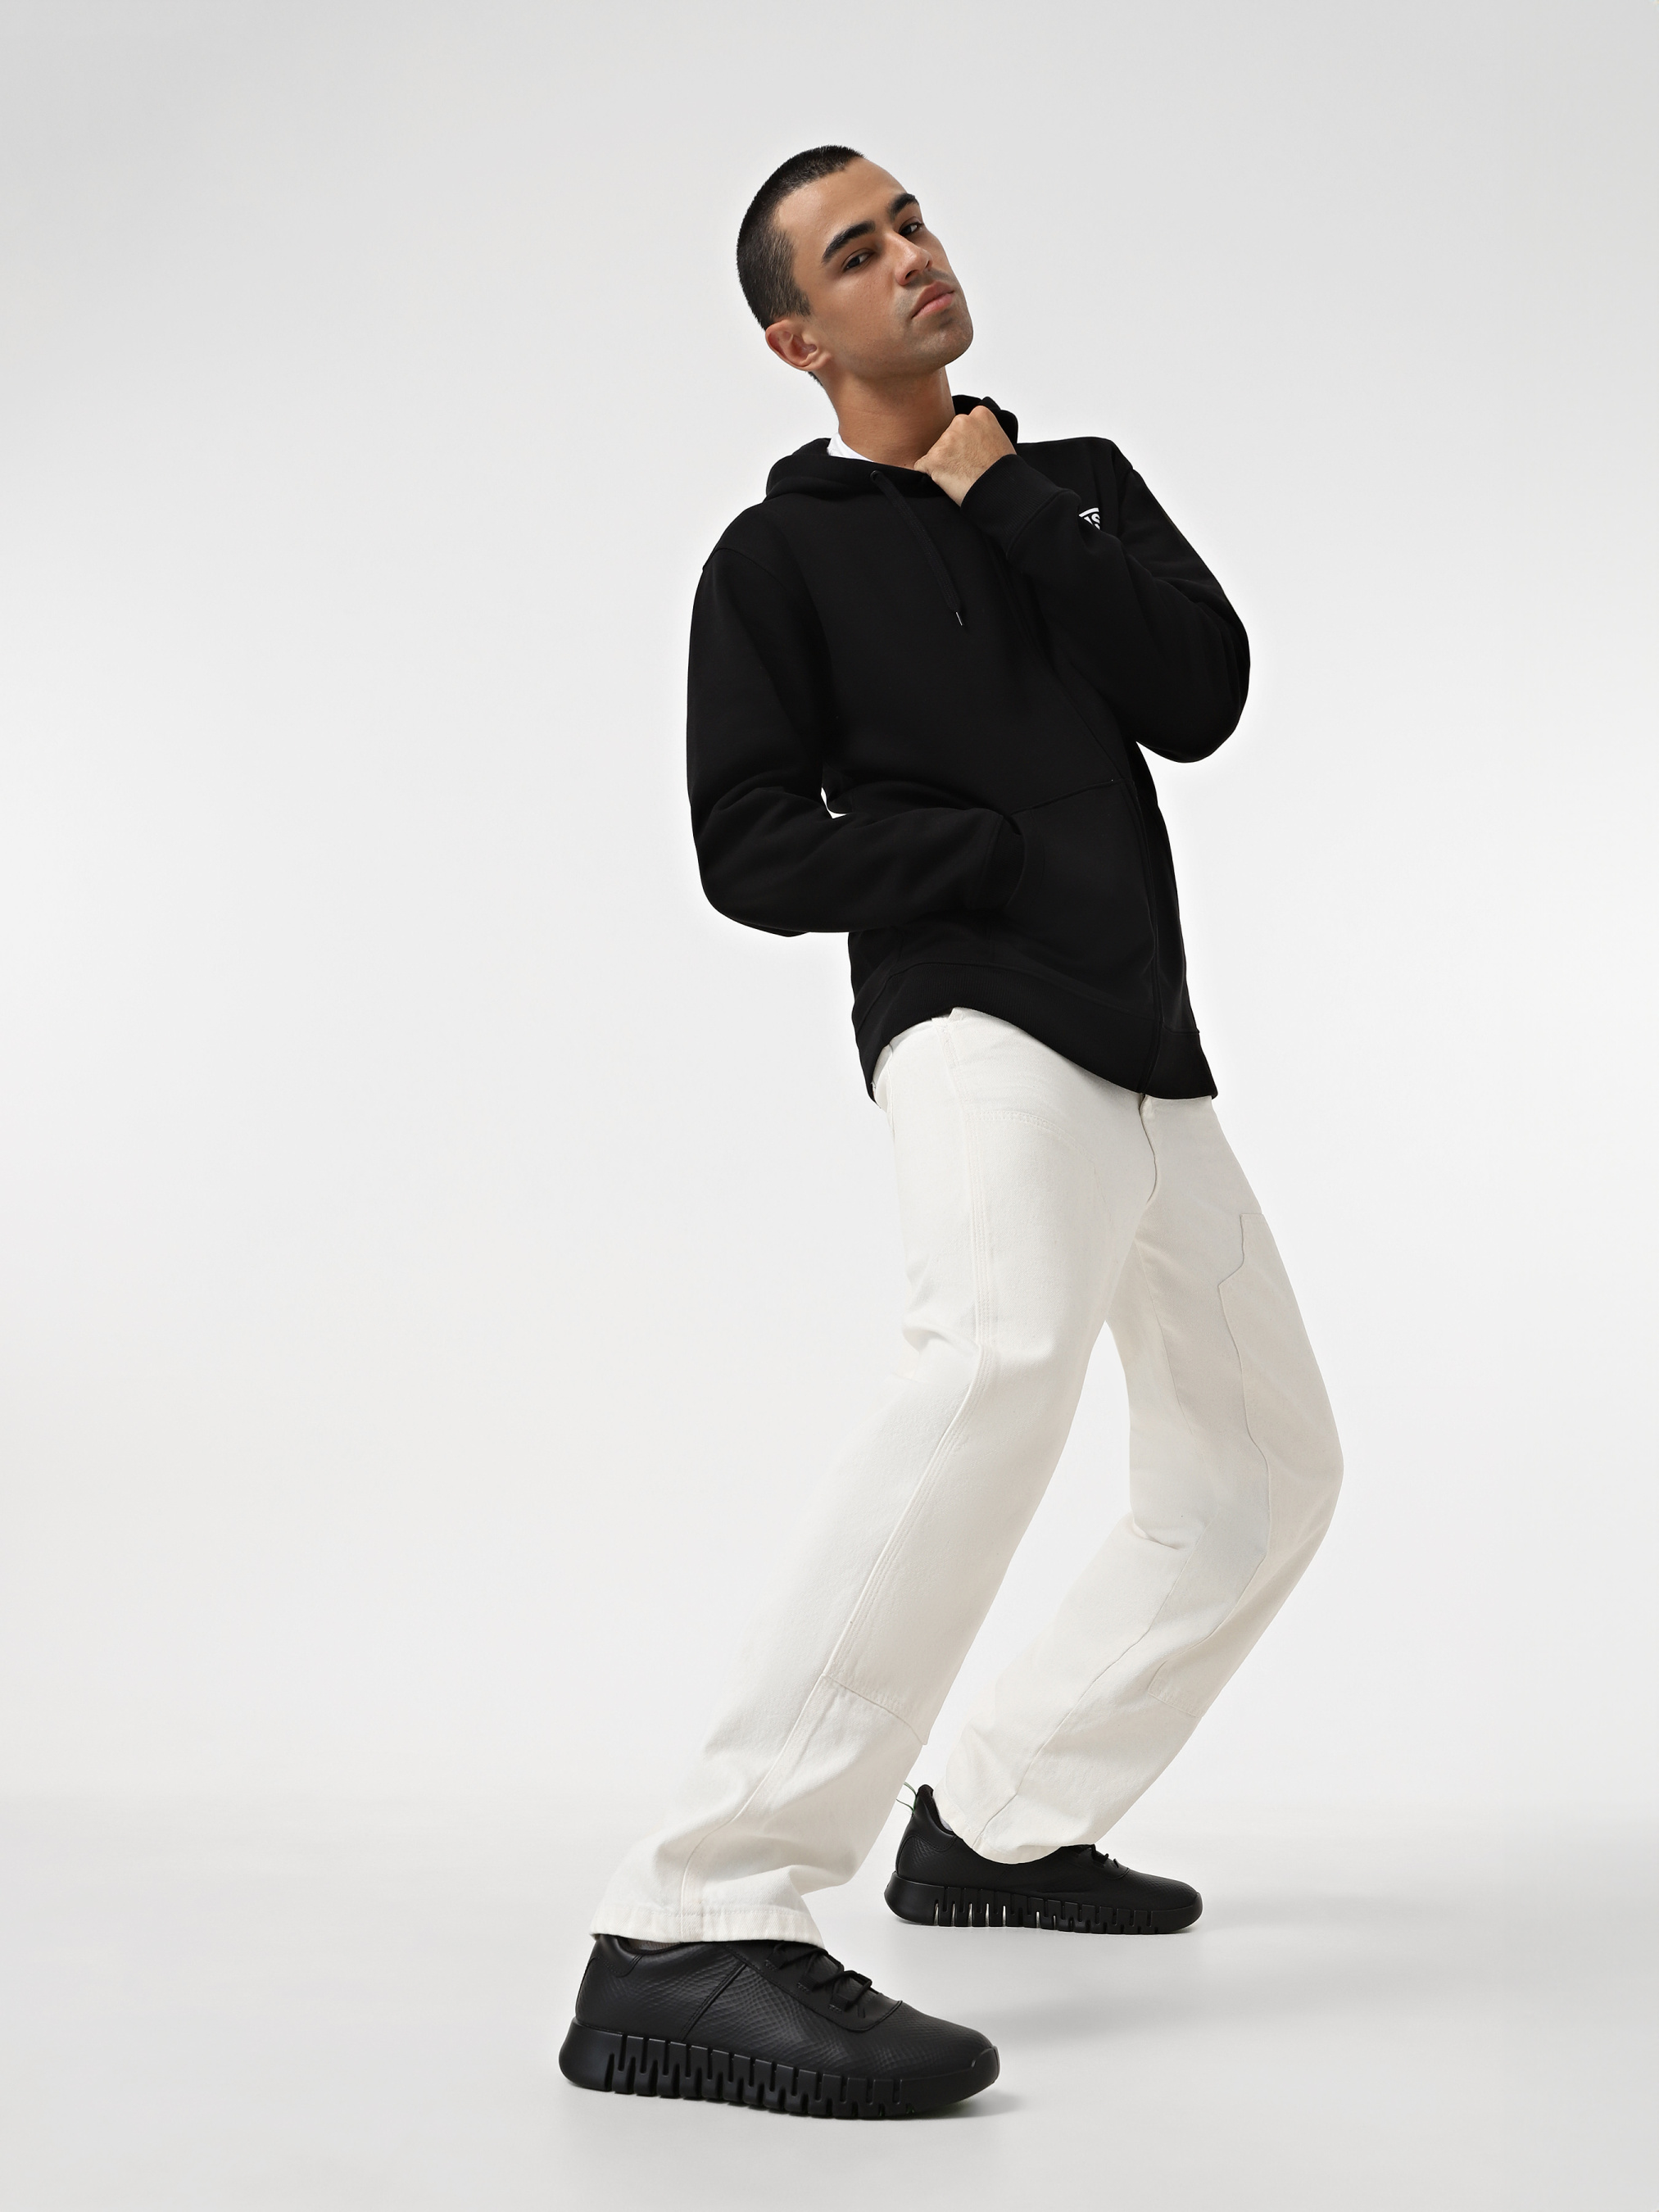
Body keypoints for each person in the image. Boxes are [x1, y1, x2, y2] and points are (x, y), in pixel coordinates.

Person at [559, 145, 1343, 2119]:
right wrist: (975, 864)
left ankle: (996, 1816)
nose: (909, 256)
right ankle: (694, 1911)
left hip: (1141, 1042)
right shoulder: (773, 563)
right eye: (857, 251)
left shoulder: (1068, 480)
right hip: (973, 1018)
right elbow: (749, 844)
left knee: (1261, 1470)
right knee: (990, 1360)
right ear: (794, 338)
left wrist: (1004, 497)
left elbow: (1196, 695)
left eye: (909, 221)